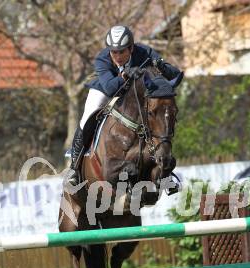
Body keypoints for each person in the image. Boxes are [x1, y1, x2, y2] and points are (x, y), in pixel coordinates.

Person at [69, 25, 183, 188]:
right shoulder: (102, 59)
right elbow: (109, 88)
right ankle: (74, 168)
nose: (117, 56)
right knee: (87, 115)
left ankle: (163, 171)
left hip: (134, 93)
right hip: (104, 89)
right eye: (114, 52)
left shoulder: (144, 52)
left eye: (122, 51)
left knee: (155, 116)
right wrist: (124, 76)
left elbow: (175, 75)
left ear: (131, 48)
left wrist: (163, 65)